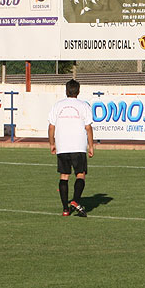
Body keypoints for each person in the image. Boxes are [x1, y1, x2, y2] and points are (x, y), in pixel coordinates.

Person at [48, 79, 94, 217]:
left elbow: (51, 127)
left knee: (64, 176)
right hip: (78, 146)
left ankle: (65, 209)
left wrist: (52, 143)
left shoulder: (58, 105)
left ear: (66, 91)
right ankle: (75, 200)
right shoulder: (83, 105)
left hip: (62, 145)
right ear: (78, 91)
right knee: (80, 174)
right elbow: (88, 127)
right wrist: (91, 146)